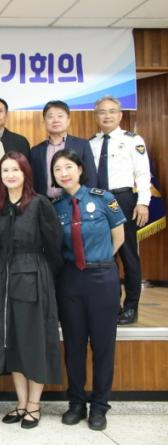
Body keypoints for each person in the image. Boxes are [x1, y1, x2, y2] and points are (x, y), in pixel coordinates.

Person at [0, 152, 63, 429]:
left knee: (34, 339)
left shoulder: (40, 204)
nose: (10, 175)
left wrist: (44, 276)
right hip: (4, 278)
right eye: (5, 170)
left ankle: (34, 404)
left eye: (15, 170)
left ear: (25, 173)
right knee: (12, 340)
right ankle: (20, 402)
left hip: (33, 275)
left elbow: (54, 247)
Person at [51, 149, 125, 431]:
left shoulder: (103, 198)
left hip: (102, 278)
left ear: (80, 169)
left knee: (103, 345)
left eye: (68, 167)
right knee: (74, 345)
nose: (64, 173)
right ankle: (76, 402)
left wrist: (100, 259)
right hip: (71, 279)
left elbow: (118, 237)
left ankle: (100, 406)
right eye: (58, 169)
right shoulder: (55, 206)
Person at [90, 95, 151, 325]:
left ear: (120, 115)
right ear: (96, 116)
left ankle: (131, 306)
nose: (107, 116)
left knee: (128, 253)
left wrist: (143, 202)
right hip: (97, 201)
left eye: (111, 111)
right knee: (105, 255)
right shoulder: (91, 143)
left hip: (123, 199)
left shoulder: (133, 140)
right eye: (102, 112)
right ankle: (111, 304)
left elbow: (143, 173)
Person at [30, 100, 97, 199]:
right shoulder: (36, 151)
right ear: (44, 122)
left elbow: (91, 178)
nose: (55, 120)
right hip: (45, 203)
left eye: (60, 116)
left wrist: (87, 201)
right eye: (51, 117)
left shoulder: (82, 144)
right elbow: (33, 182)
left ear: (68, 120)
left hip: (75, 202)